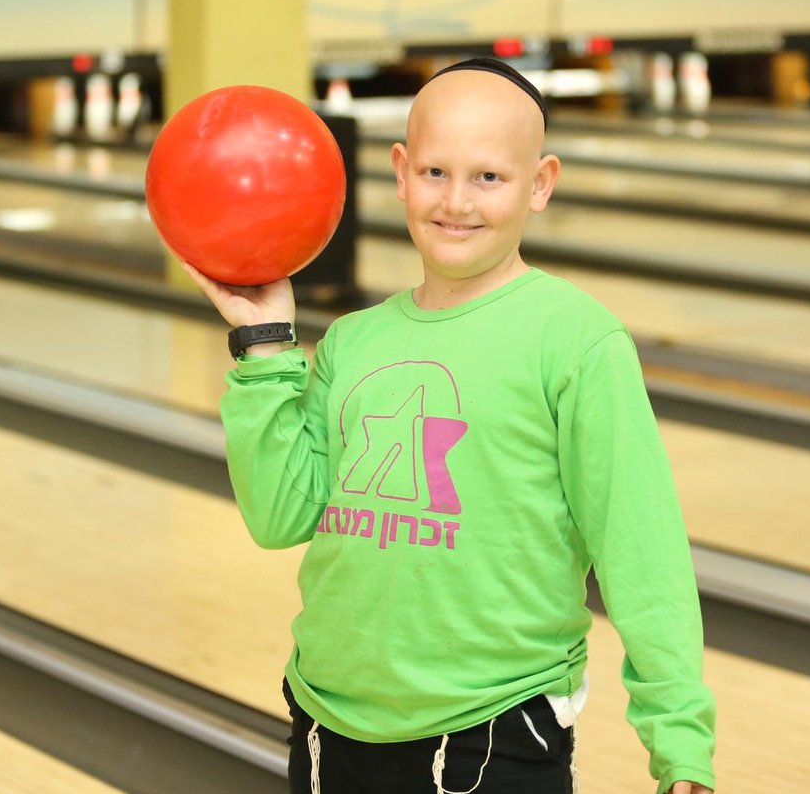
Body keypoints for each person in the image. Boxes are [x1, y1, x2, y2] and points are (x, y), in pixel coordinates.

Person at [185, 58, 716, 794]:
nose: (456, 201)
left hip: (493, 727)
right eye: (434, 171)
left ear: (540, 184)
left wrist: (679, 741)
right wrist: (265, 345)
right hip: (328, 719)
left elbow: (640, 547)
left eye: (489, 178)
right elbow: (280, 515)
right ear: (399, 172)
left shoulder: (575, 340)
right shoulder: (353, 341)